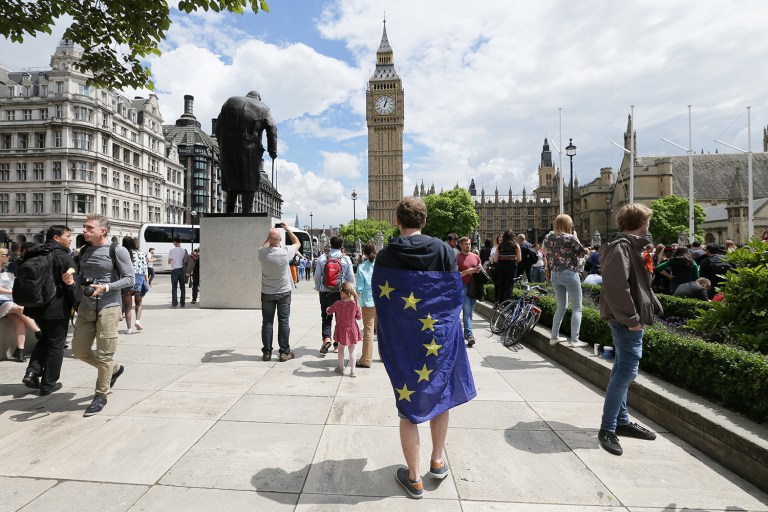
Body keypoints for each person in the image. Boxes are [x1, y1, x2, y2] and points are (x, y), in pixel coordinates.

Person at [372, 197, 476, 499]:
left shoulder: (387, 254)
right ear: (425, 221)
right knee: (440, 393)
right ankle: (437, 461)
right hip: (437, 340)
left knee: (408, 407)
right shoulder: (444, 249)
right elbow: (453, 293)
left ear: (397, 221)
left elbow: (382, 302)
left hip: (404, 341)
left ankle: (414, 479)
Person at [598, 203, 662, 456]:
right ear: (641, 222)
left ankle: (621, 422)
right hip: (627, 320)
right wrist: (631, 318)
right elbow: (615, 286)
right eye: (648, 220)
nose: (649, 225)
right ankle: (608, 428)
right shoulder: (621, 247)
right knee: (627, 370)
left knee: (622, 367)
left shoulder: (631, 246)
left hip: (630, 317)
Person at [71, 214, 134, 417]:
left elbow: (129, 279)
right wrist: (73, 278)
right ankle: (114, 369)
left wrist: (106, 287)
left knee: (105, 353)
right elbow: (83, 277)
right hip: (87, 306)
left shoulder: (118, 250)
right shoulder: (85, 250)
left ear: (102, 231)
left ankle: (101, 396)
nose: (84, 231)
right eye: (84, 227)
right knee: (79, 351)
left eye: (89, 228)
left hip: (109, 306)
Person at [20, 226, 76, 395]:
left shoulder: (35, 252)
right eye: (67, 236)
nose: (70, 239)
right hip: (56, 306)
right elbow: (71, 284)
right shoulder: (62, 256)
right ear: (57, 238)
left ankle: (32, 372)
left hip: (35, 305)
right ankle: (48, 384)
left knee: (46, 337)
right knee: (57, 344)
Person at [215, 91, 278, 213]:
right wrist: (272, 150)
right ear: (258, 98)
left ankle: (229, 211)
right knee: (249, 179)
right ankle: (247, 212)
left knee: (231, 180)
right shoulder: (263, 107)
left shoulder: (230, 101)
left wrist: (221, 144)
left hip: (227, 147)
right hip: (249, 148)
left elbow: (218, 126)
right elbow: (272, 127)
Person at [543, 214, 587, 347]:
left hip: (555, 274)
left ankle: (554, 337)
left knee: (561, 307)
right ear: (568, 224)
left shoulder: (549, 237)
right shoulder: (570, 238)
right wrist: (576, 237)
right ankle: (575, 340)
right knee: (577, 307)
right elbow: (582, 253)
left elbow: (545, 251)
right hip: (569, 272)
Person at [257, 224, 300, 361]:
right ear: (280, 239)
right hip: (283, 292)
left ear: (269, 239)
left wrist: (269, 237)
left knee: (267, 322)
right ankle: (284, 352)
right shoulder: (285, 252)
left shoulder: (262, 253)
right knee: (284, 322)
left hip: (267, 292)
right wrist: (287, 229)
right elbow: (297, 242)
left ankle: (267, 352)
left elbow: (264, 246)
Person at [314, 236, 355, 354]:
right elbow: (351, 277)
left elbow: (317, 275)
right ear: (342, 245)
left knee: (326, 316)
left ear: (330, 244)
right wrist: (350, 290)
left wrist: (318, 287)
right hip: (341, 292)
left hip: (326, 291)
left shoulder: (323, 258)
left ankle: (326, 338)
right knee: (340, 318)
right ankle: (337, 345)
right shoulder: (346, 259)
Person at [0, 248, 42, 362]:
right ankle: (39, 333)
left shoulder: (7, 269)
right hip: (3, 301)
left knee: (19, 320)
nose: (8, 256)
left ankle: (20, 351)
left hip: (8, 301)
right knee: (20, 309)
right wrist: (12, 292)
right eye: (6, 254)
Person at [326, 281, 362, 377]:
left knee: (341, 348)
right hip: (352, 329)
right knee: (352, 350)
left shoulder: (338, 303)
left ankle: (341, 368)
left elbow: (329, 311)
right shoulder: (355, 304)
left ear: (343, 292)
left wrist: (327, 309)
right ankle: (353, 370)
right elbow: (359, 317)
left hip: (341, 329)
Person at [457, 236, 481, 347]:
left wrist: (480, 269)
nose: (468, 245)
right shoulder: (457, 258)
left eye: (469, 244)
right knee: (466, 312)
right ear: (461, 245)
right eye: (466, 244)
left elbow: (480, 270)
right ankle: (470, 335)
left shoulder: (476, 257)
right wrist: (468, 271)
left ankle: (467, 334)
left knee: (470, 312)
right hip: (463, 287)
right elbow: (455, 275)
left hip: (474, 287)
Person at [355, 243, 377, 369]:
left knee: (368, 331)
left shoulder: (362, 267)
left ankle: (366, 359)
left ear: (364, 253)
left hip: (368, 302)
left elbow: (359, 287)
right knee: (382, 331)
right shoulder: (380, 266)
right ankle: (384, 356)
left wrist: (354, 300)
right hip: (382, 300)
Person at [121, 236, 148, 334]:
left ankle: (129, 329)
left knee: (128, 307)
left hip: (127, 279)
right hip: (139, 279)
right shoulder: (141, 254)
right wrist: (147, 281)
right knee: (139, 303)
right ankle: (137, 321)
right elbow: (145, 268)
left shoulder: (124, 254)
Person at [489, 230, 521, 302]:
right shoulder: (516, 245)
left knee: (501, 285)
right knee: (509, 286)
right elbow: (519, 259)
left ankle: (500, 303)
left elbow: (496, 260)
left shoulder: (499, 246)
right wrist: (513, 259)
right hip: (511, 266)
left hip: (501, 266)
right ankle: (507, 303)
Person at [167, 237, 187, 308]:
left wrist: (171, 261)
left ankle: (174, 304)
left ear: (175, 242)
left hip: (175, 270)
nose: (173, 243)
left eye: (173, 242)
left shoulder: (172, 250)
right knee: (182, 288)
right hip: (182, 270)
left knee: (174, 288)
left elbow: (169, 261)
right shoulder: (184, 250)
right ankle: (183, 303)